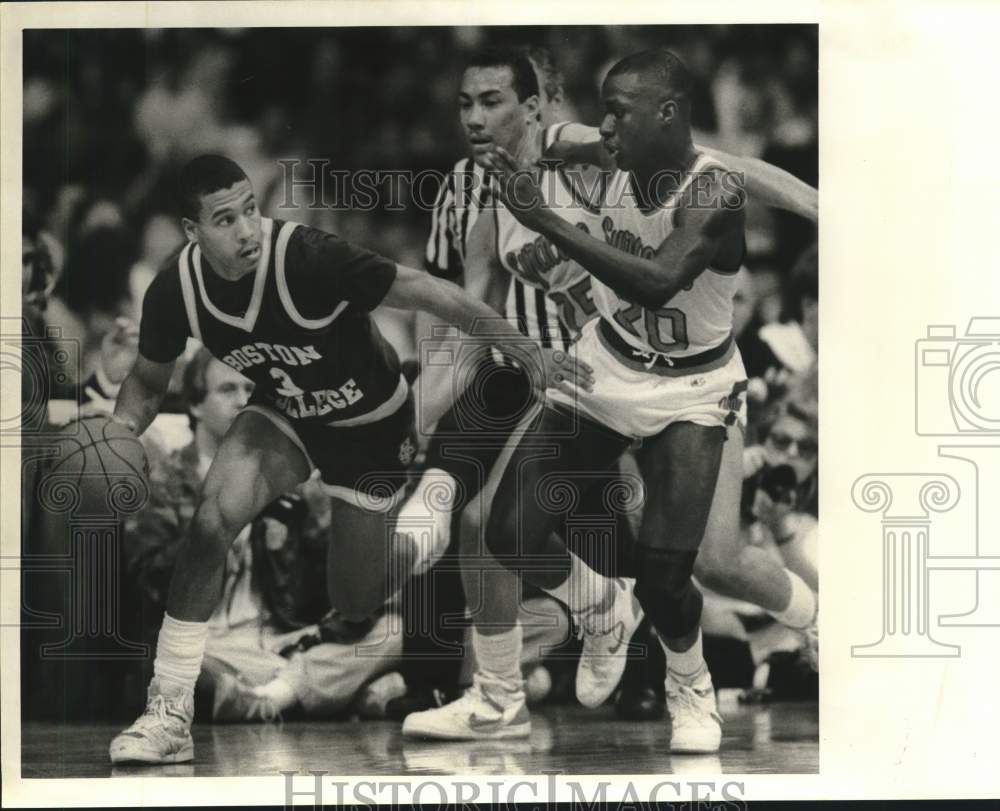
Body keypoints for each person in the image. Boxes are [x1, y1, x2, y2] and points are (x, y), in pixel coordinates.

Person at [107, 153, 589, 764]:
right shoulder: (175, 288)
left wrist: (530, 353)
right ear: (191, 232)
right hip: (284, 414)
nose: (247, 230)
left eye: (249, 210)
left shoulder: (308, 257)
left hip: (371, 427)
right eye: (224, 220)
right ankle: (168, 710)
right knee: (210, 520)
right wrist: (118, 431)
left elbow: (430, 292)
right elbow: (148, 383)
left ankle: (423, 529)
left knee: (355, 599)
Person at [404, 47, 819, 744]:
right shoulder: (480, 191)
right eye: (466, 104)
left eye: (495, 100)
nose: (477, 118)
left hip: (692, 381)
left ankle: (774, 638)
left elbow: (708, 199)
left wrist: (818, 205)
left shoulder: (595, 154)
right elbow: (469, 308)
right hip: (597, 367)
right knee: (497, 528)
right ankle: (543, 659)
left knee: (691, 564)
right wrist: (427, 408)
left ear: (537, 105)